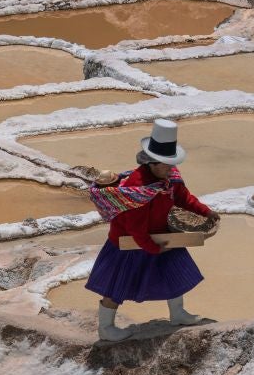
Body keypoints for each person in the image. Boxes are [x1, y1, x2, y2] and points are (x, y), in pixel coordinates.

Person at [85, 118, 219, 342]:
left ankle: (177, 313)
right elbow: (134, 226)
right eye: (166, 164)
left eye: (171, 163)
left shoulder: (169, 177)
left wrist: (206, 212)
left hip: (160, 235)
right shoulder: (136, 188)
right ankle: (106, 327)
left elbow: (183, 197)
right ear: (152, 163)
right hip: (130, 243)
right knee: (117, 285)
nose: (171, 168)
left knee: (174, 272)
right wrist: (153, 248)